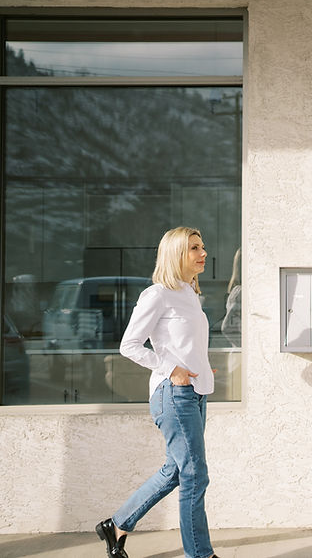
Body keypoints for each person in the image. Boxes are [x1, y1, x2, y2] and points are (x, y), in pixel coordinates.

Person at [96, 227, 219, 558]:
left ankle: (117, 524)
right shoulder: (158, 294)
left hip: (195, 392)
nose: (203, 252)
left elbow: (183, 345)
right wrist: (173, 369)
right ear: (176, 254)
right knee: (195, 475)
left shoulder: (189, 293)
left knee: (176, 471)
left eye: (202, 246)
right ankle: (201, 554)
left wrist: (200, 367)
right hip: (173, 395)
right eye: (194, 247)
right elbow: (129, 345)